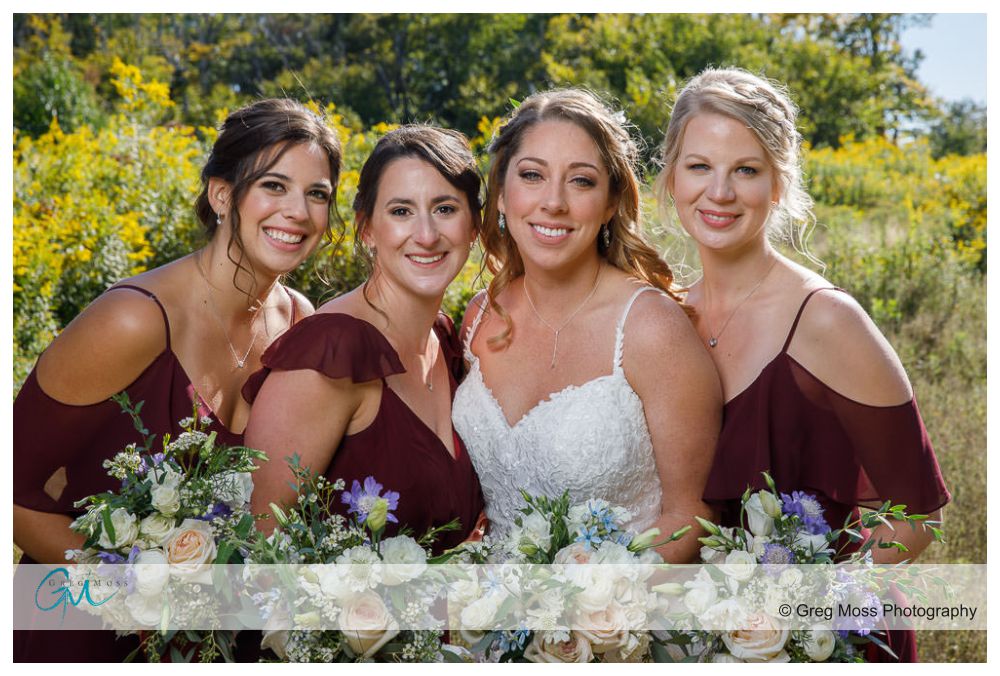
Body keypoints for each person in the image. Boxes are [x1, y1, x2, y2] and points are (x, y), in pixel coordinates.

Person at [13, 98, 342, 662]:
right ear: (222, 195)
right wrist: (132, 602)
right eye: (274, 186)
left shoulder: (300, 322)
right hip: (74, 629)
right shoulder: (133, 319)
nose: (299, 212)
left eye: (317, 194)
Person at [655, 67, 950, 660]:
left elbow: (921, 516)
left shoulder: (826, 320)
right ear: (670, 177)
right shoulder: (665, 318)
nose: (719, 192)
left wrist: (807, 622)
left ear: (779, 184)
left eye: (746, 169)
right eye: (699, 166)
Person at [452, 89, 722, 563]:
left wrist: (594, 609)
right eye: (532, 175)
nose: (553, 202)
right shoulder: (479, 316)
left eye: (580, 181)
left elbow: (693, 514)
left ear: (612, 201)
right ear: (501, 190)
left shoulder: (649, 327)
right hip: (489, 619)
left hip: (620, 620)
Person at [244, 125, 485, 555]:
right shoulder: (329, 354)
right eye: (401, 211)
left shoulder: (445, 342)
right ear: (367, 228)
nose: (426, 235)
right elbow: (257, 550)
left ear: (474, 227)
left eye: (445, 208)